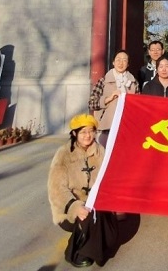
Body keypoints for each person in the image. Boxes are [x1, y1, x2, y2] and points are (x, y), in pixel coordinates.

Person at [47, 114, 118, 267]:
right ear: (74, 133)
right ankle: (77, 251)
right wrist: (75, 207)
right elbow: (56, 189)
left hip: (96, 203)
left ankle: (90, 243)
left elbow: (108, 177)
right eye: (83, 132)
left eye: (91, 131)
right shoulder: (63, 154)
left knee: (112, 235)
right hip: (69, 207)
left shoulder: (99, 150)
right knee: (89, 216)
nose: (88, 136)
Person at [88, 50, 139, 147]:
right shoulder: (104, 80)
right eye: (118, 60)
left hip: (125, 128)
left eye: (124, 60)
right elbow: (91, 103)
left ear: (128, 64)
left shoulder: (133, 82)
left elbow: (138, 106)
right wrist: (108, 98)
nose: (121, 63)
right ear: (113, 62)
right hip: (106, 128)